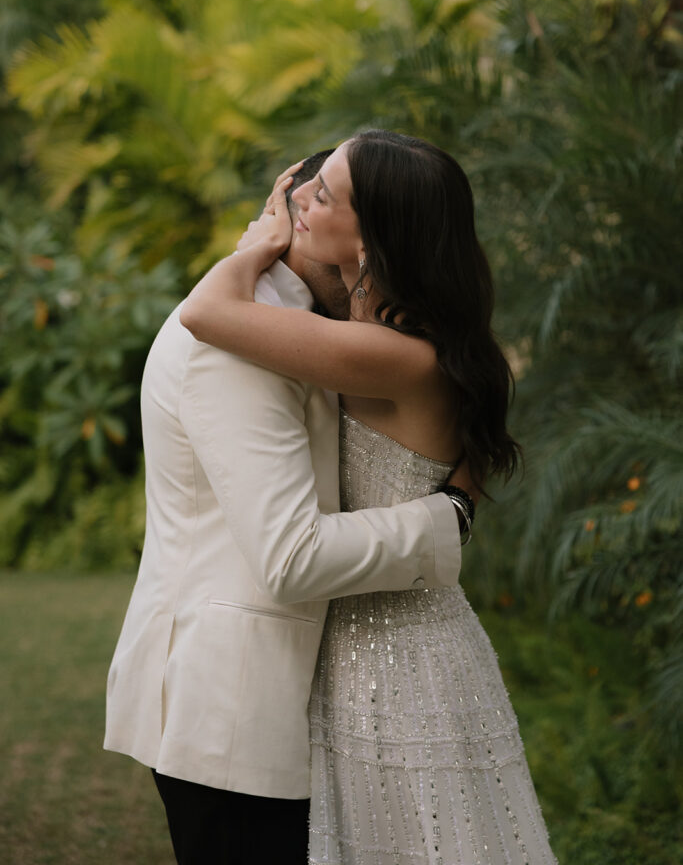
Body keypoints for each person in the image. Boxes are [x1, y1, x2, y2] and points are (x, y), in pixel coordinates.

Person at [181, 130, 558, 864]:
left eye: (322, 196)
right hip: (379, 635)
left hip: (395, 655)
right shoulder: (402, 337)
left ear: (373, 235)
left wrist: (260, 241)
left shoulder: (386, 354)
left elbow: (205, 313)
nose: (298, 198)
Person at [104, 150, 473, 865]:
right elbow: (290, 556)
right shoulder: (237, 341)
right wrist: (446, 518)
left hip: (323, 697)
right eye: (309, 192)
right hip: (233, 713)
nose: (304, 201)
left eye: (322, 194)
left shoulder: (305, 326)